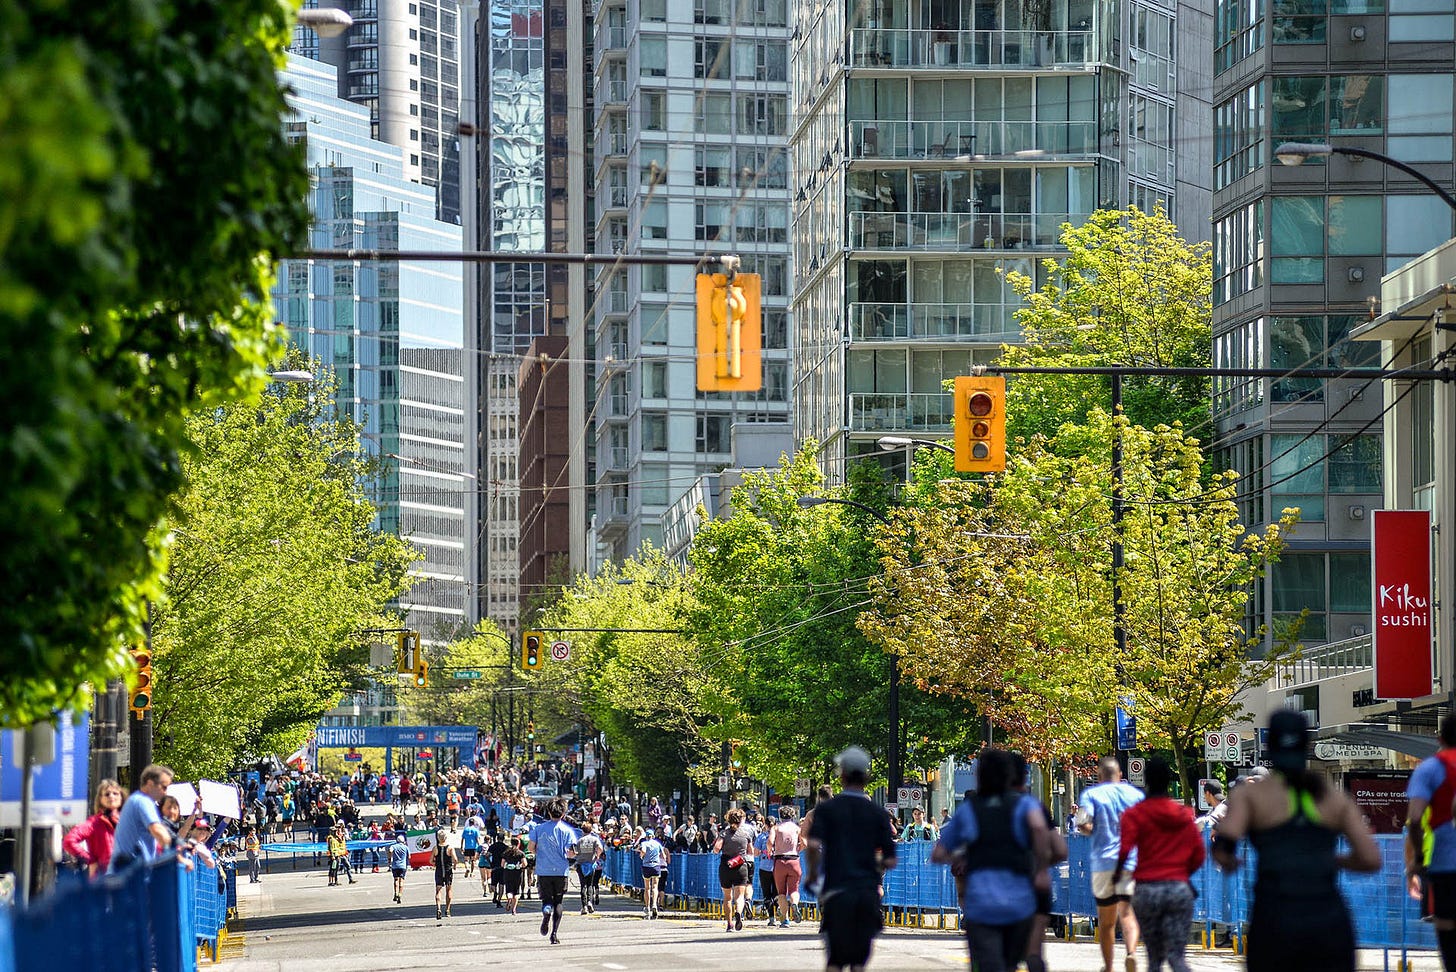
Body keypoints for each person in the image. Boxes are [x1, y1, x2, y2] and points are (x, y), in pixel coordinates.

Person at [1215, 709, 1379, 972]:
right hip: (1328, 919)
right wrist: (1328, 859)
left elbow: (1223, 848)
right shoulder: (1333, 797)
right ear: (1306, 744)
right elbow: (1371, 859)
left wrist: (1234, 861)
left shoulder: (1252, 796)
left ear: (1270, 744)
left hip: (1274, 919)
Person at [933, 748, 1053, 972]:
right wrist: (1041, 868)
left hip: (981, 905)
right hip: (1020, 903)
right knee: (1010, 963)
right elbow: (1038, 828)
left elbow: (938, 853)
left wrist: (962, 855)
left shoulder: (970, 809)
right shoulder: (1024, 805)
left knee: (988, 964)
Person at [805, 747, 899, 972]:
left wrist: (813, 874)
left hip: (837, 891)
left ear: (842, 776)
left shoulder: (827, 810)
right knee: (859, 961)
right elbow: (890, 859)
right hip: (866, 891)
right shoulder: (876, 813)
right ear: (866, 777)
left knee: (835, 960)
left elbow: (813, 845)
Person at [1111, 758, 1205, 972]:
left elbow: (1125, 850)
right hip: (1178, 890)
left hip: (1147, 890)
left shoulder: (1134, 815)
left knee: (1154, 958)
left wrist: (1117, 875)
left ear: (1146, 781)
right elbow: (1199, 853)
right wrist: (1182, 873)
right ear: (1169, 781)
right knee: (1177, 957)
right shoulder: (1184, 815)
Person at [1076, 756, 1143, 972]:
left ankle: (1109, 966)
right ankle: (1131, 953)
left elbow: (1082, 822)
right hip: (1129, 862)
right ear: (1120, 775)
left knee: (1106, 921)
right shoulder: (1135, 795)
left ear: (1099, 775)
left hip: (1103, 863)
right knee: (1128, 913)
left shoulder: (1091, 795)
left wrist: (1096, 831)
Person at [1407, 713, 1456, 967]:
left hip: (1446, 865)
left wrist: (1418, 857)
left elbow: (1415, 819)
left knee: (1447, 927)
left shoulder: (1430, 769)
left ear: (1440, 738)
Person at [529, 799, 580, 944]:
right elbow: (572, 853)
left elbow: (531, 848)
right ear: (563, 813)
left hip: (543, 870)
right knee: (558, 901)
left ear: (549, 812)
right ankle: (554, 934)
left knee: (547, 899)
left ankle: (546, 910)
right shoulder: (568, 831)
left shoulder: (538, 829)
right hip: (561, 870)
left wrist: (539, 851)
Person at [109, 764, 175, 873]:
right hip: (128, 877)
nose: (165, 792)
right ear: (150, 784)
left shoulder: (139, 800)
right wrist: (177, 854)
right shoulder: (143, 801)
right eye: (164, 787)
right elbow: (159, 833)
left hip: (128, 874)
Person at [64, 779, 123, 878]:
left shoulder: (126, 820)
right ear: (100, 799)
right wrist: (91, 860)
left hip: (126, 880)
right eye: (107, 794)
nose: (112, 796)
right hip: (103, 880)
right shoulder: (94, 823)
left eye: (115, 793)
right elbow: (69, 841)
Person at [713, 807, 757, 933]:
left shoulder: (724, 833)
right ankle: (739, 913)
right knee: (740, 896)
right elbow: (751, 851)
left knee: (727, 897)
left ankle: (729, 924)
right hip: (740, 866)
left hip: (726, 866)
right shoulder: (746, 834)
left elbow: (716, 848)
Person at [771, 806, 804, 926]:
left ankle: (784, 920)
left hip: (780, 860)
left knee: (781, 892)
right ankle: (794, 903)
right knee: (794, 889)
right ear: (793, 816)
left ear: (780, 816)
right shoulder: (797, 828)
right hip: (794, 860)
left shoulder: (776, 828)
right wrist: (798, 849)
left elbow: (770, 842)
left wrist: (771, 850)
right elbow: (804, 843)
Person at [573, 819, 606, 914]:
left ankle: (584, 907)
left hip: (581, 864)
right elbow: (600, 848)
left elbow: (576, 852)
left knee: (583, 885)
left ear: (582, 831)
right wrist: (597, 855)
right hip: (591, 863)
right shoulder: (595, 839)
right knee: (590, 885)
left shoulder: (580, 840)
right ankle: (589, 902)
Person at [638, 828, 669, 919]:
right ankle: (655, 904)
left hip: (647, 866)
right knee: (655, 886)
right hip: (656, 866)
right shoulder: (658, 844)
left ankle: (647, 907)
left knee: (647, 887)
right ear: (653, 836)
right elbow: (663, 855)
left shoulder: (644, 843)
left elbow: (643, 850)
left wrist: (642, 856)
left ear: (646, 836)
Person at [754, 819, 780, 925]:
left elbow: (755, 853)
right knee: (777, 892)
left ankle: (772, 918)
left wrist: (762, 851)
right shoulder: (779, 836)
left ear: (765, 825)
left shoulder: (761, 837)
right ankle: (779, 908)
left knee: (766, 893)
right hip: (778, 866)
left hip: (764, 866)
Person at [433, 827, 457, 920]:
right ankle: (447, 909)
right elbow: (455, 859)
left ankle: (438, 908)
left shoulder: (435, 848)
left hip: (439, 870)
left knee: (438, 890)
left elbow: (431, 860)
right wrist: (454, 865)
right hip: (448, 870)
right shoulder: (450, 848)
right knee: (449, 889)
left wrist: (435, 863)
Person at [501, 838, 528, 915]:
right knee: (516, 892)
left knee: (509, 889)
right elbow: (525, 864)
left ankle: (509, 898)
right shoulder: (521, 853)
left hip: (507, 873)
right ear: (518, 844)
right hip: (517, 874)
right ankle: (514, 909)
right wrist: (519, 866)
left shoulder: (506, 853)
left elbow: (502, 864)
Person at [389, 830, 409, 904]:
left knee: (396, 880)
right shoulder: (405, 847)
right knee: (402, 880)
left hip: (395, 865)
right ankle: (400, 894)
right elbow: (409, 856)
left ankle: (395, 893)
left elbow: (390, 850)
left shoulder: (394, 846)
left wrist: (390, 858)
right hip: (403, 866)